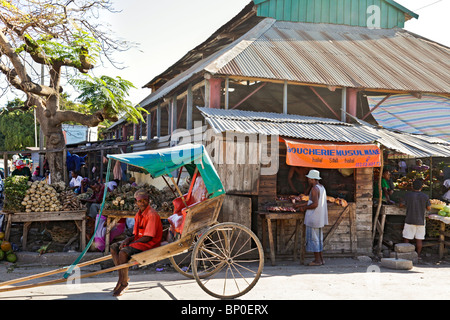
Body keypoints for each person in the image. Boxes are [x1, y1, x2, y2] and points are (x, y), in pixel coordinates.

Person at [110, 189, 163, 296]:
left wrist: (130, 244)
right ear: (136, 202)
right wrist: (127, 240)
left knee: (123, 252)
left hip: (150, 243)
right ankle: (122, 277)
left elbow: (148, 237)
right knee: (114, 247)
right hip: (140, 240)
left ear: (148, 201)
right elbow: (136, 235)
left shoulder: (151, 214)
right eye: (140, 201)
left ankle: (124, 283)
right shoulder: (138, 214)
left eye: (145, 200)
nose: (142, 203)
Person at [294, 169, 328, 266]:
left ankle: (317, 261)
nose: (308, 179)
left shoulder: (314, 189)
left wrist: (304, 208)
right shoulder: (321, 187)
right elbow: (312, 201)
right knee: (318, 239)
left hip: (314, 218)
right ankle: (321, 260)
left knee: (314, 240)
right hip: (319, 218)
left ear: (313, 179)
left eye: (309, 178)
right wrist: (300, 205)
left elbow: (315, 204)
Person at [401, 179, 431, 258]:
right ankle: (417, 255)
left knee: (407, 237)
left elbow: (401, 205)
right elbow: (428, 208)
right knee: (419, 239)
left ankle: (405, 254)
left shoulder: (408, 195)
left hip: (409, 219)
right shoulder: (425, 196)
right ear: (421, 187)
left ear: (412, 187)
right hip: (420, 220)